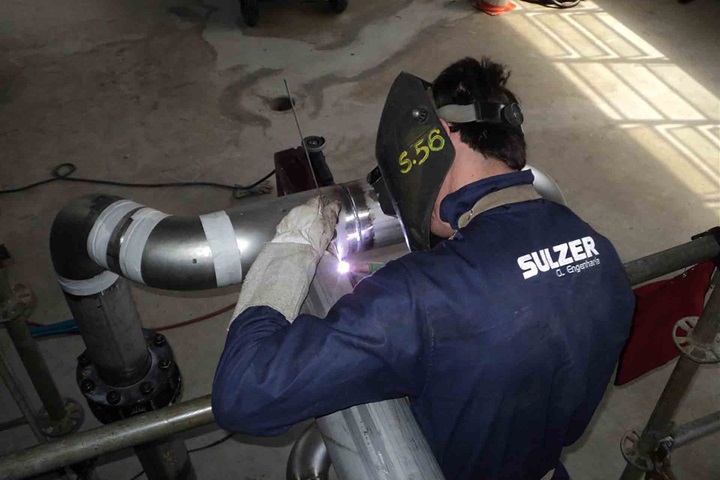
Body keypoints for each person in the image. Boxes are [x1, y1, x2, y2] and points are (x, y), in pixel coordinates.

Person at [212, 57, 635, 480]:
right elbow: (573, 420)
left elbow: (245, 392)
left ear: (442, 133)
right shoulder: (603, 253)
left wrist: (291, 249)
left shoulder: (420, 294)